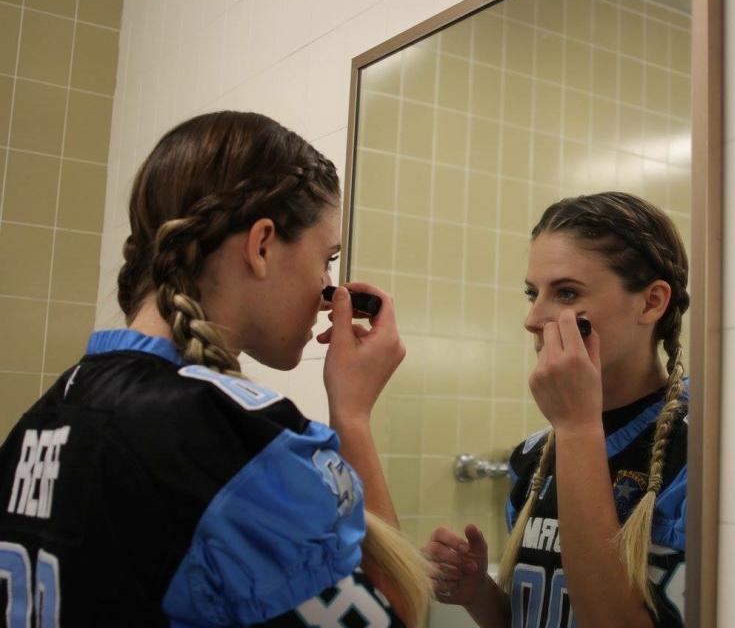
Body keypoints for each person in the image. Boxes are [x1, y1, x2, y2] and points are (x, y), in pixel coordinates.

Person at [0, 111, 431, 627]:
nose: (327, 289)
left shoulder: (44, 416)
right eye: (327, 259)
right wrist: (353, 415)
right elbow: (397, 613)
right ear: (262, 245)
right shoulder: (229, 444)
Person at [424, 192, 689, 627]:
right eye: (533, 292)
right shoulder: (533, 456)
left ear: (652, 302)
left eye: (566, 293)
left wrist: (577, 427)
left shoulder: (695, 451)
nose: (533, 317)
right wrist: (478, 594)